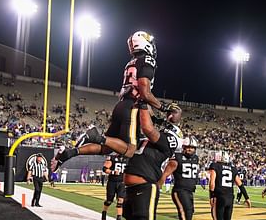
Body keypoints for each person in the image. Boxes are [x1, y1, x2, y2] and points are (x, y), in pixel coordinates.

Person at [51, 30, 174, 172]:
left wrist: (156, 119)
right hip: (131, 109)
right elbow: (145, 93)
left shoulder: (131, 63)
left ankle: (70, 153)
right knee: (129, 150)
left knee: (106, 148)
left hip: (122, 106)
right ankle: (95, 136)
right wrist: (163, 107)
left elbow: (142, 95)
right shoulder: (147, 60)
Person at [160, 136, 201, 220]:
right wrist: (157, 188)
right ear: (183, 147)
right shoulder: (176, 158)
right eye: (188, 147)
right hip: (179, 191)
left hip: (189, 192)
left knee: (186, 217)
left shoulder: (195, 158)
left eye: (192, 148)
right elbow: (165, 174)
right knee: (186, 219)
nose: (190, 150)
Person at [208, 151, 251, 220]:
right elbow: (239, 184)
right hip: (230, 198)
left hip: (219, 197)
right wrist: (247, 197)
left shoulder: (215, 166)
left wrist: (212, 196)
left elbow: (212, 183)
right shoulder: (232, 168)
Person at [101, 154, 127, 220]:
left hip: (122, 182)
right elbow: (104, 169)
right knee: (109, 201)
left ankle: (119, 218)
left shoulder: (128, 158)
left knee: (120, 200)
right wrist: (113, 172)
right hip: (112, 182)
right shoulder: (112, 158)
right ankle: (104, 212)